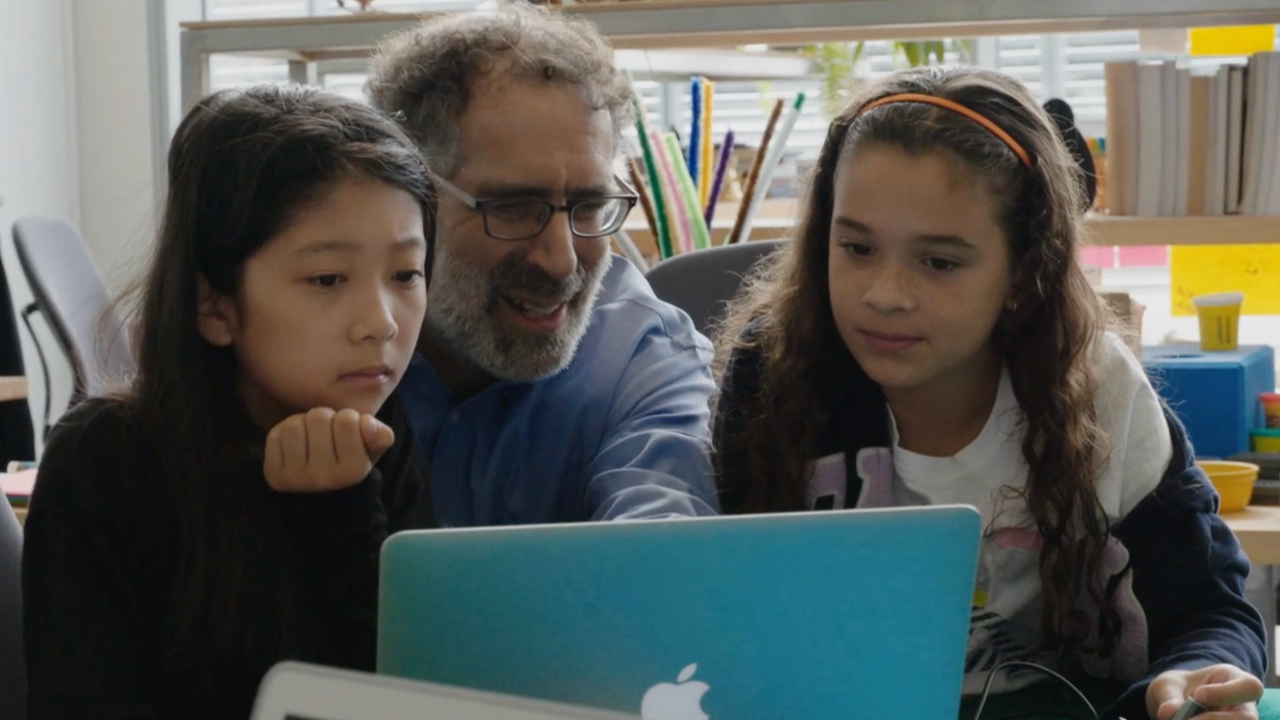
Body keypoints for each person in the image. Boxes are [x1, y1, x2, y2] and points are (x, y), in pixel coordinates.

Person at [711, 66, 1266, 720]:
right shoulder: (773, 373)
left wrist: (1198, 679)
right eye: (856, 246)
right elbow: (728, 617)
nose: (885, 293)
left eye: (939, 262)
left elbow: (1209, 608)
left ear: (1024, 273)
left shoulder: (1098, 388)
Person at [23, 84, 436, 720]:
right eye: (326, 279)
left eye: (406, 274)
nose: (380, 323)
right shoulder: (107, 461)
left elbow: (414, 694)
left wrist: (343, 513)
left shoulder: (382, 432)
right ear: (213, 305)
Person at [365, 2, 719, 526]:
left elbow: (662, 547)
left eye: (590, 206)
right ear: (405, 199)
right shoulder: (325, 338)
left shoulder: (638, 356)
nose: (561, 260)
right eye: (512, 208)